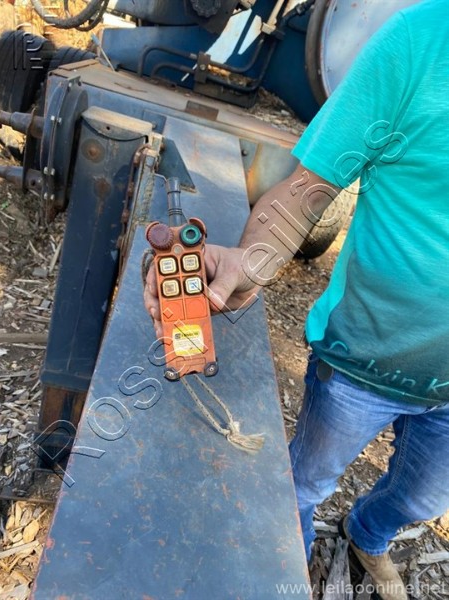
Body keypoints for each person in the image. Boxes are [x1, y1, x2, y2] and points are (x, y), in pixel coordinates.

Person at [145, 1, 449, 598]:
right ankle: (285, 566)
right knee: (304, 483)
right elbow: (309, 190)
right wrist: (250, 261)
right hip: (360, 365)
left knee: (424, 498)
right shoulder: (420, 42)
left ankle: (368, 532)